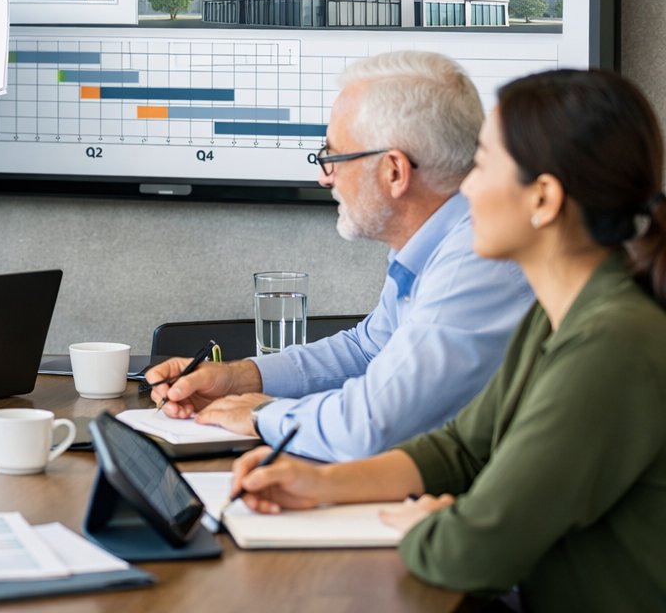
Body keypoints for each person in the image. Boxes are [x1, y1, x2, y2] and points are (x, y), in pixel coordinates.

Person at [231, 68, 666, 610]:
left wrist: (429, 523)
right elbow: (460, 447)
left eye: (482, 165)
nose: (466, 187)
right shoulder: (558, 314)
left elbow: (474, 551)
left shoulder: (612, 341)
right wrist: (322, 485)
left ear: (544, 199)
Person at [147, 51, 533, 461]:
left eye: (332, 156)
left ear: (394, 172)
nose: (323, 176)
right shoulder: (434, 242)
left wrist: (262, 414)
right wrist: (240, 377)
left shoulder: (476, 261)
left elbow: (369, 425)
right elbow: (367, 351)